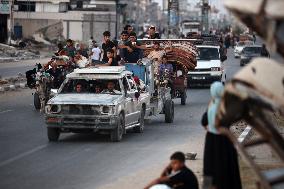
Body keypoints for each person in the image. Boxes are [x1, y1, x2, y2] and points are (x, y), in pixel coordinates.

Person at [201, 82, 242, 189]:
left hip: (211, 139)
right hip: (224, 141)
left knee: (210, 168)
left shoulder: (212, 104)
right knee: (226, 167)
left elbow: (204, 122)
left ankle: (208, 187)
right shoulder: (225, 105)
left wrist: (210, 127)